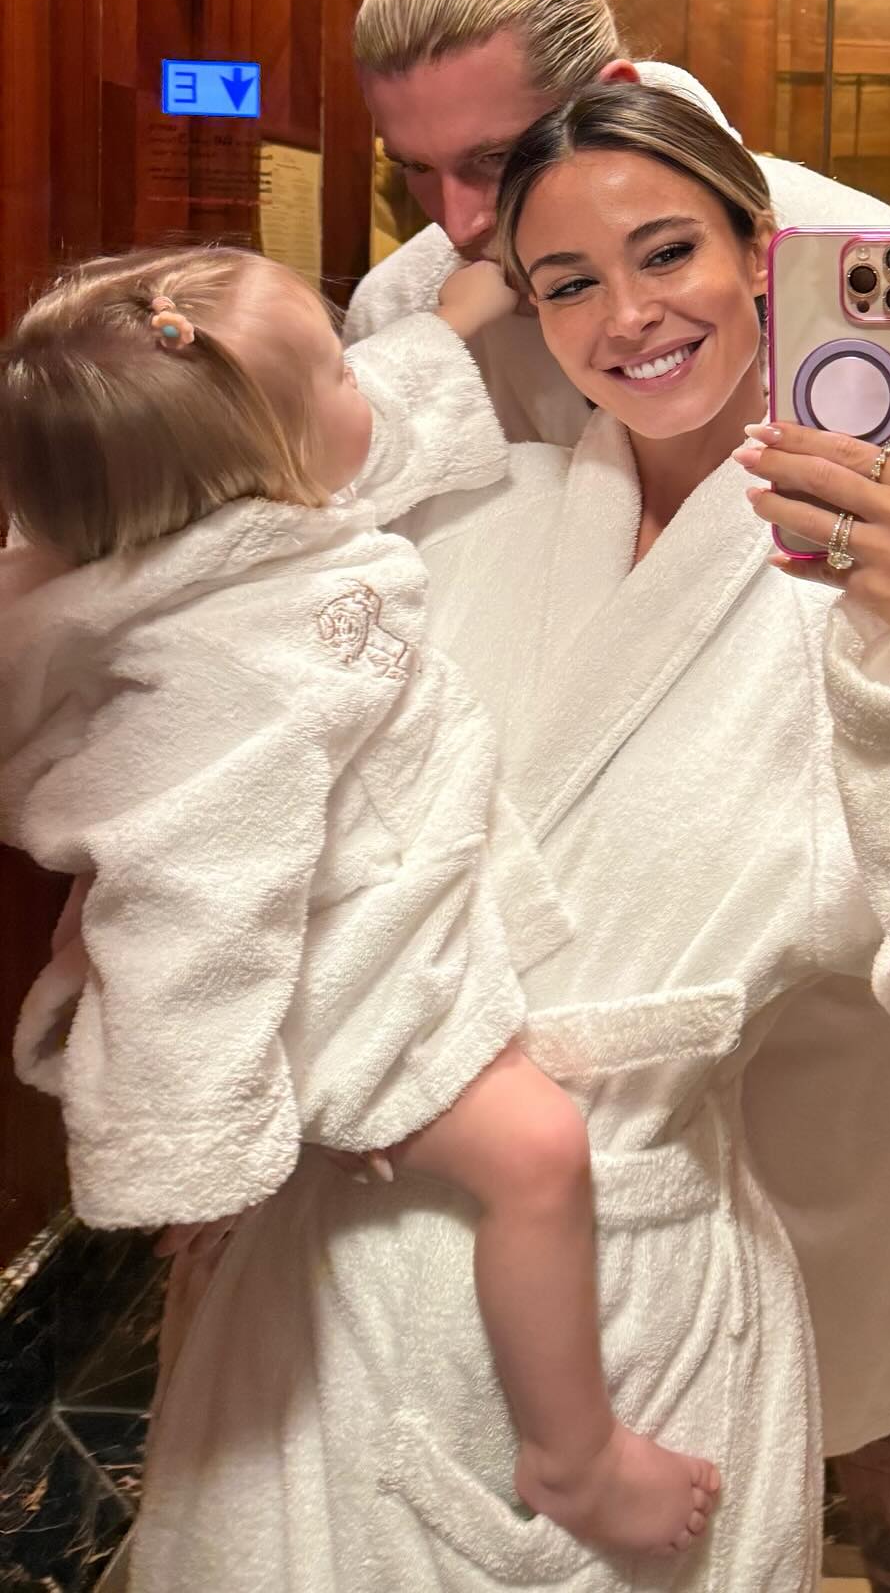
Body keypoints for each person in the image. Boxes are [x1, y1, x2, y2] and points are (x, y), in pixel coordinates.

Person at [90, 81, 890, 1591]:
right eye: (569, 281)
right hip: (317, 1290)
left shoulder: (882, 609)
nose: (631, 316)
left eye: (668, 253)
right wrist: (227, 1097)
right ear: (525, 309)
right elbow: (228, 777)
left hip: (635, 1311)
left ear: (761, 252)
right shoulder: (448, 529)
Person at [343, 0, 890, 1592]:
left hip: (808, 923)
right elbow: (352, 590)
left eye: (492, 159)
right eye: (414, 170)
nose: (461, 217)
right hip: (534, 951)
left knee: (860, 1345)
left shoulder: (865, 268)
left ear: (618, 87)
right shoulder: (415, 299)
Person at [0, 244, 720, 1558]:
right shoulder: (229, 667)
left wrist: (462, 309)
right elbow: (192, 908)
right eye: (336, 372)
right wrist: (203, 1149)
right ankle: (576, 1457)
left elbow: (372, 425)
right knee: (538, 1155)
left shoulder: (231, 531)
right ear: (265, 459)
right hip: (334, 985)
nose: (367, 388)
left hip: (344, 908)